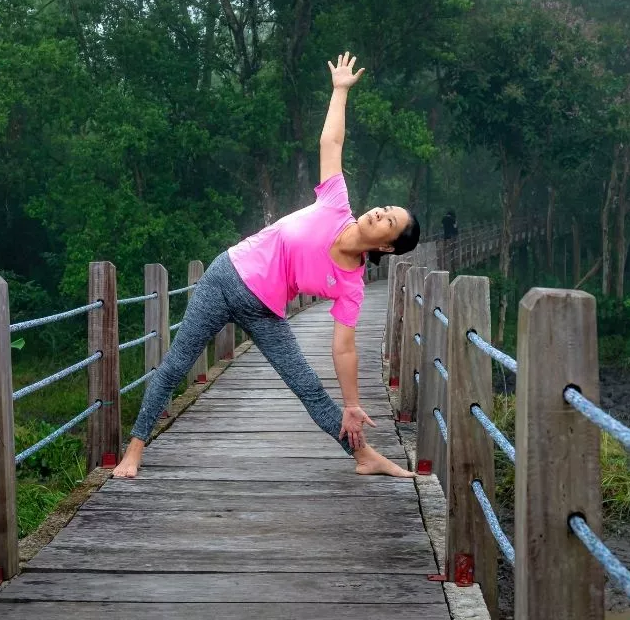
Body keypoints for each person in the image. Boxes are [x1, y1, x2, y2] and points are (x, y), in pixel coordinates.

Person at [113, 51, 421, 479]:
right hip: (224, 278)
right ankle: (134, 450)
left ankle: (365, 456)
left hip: (265, 310)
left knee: (308, 386)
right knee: (176, 364)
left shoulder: (350, 283)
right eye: (384, 207)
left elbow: (344, 348)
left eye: (388, 220)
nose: (378, 213)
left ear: (388, 247)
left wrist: (352, 404)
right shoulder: (336, 203)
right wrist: (339, 91)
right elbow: (330, 143)